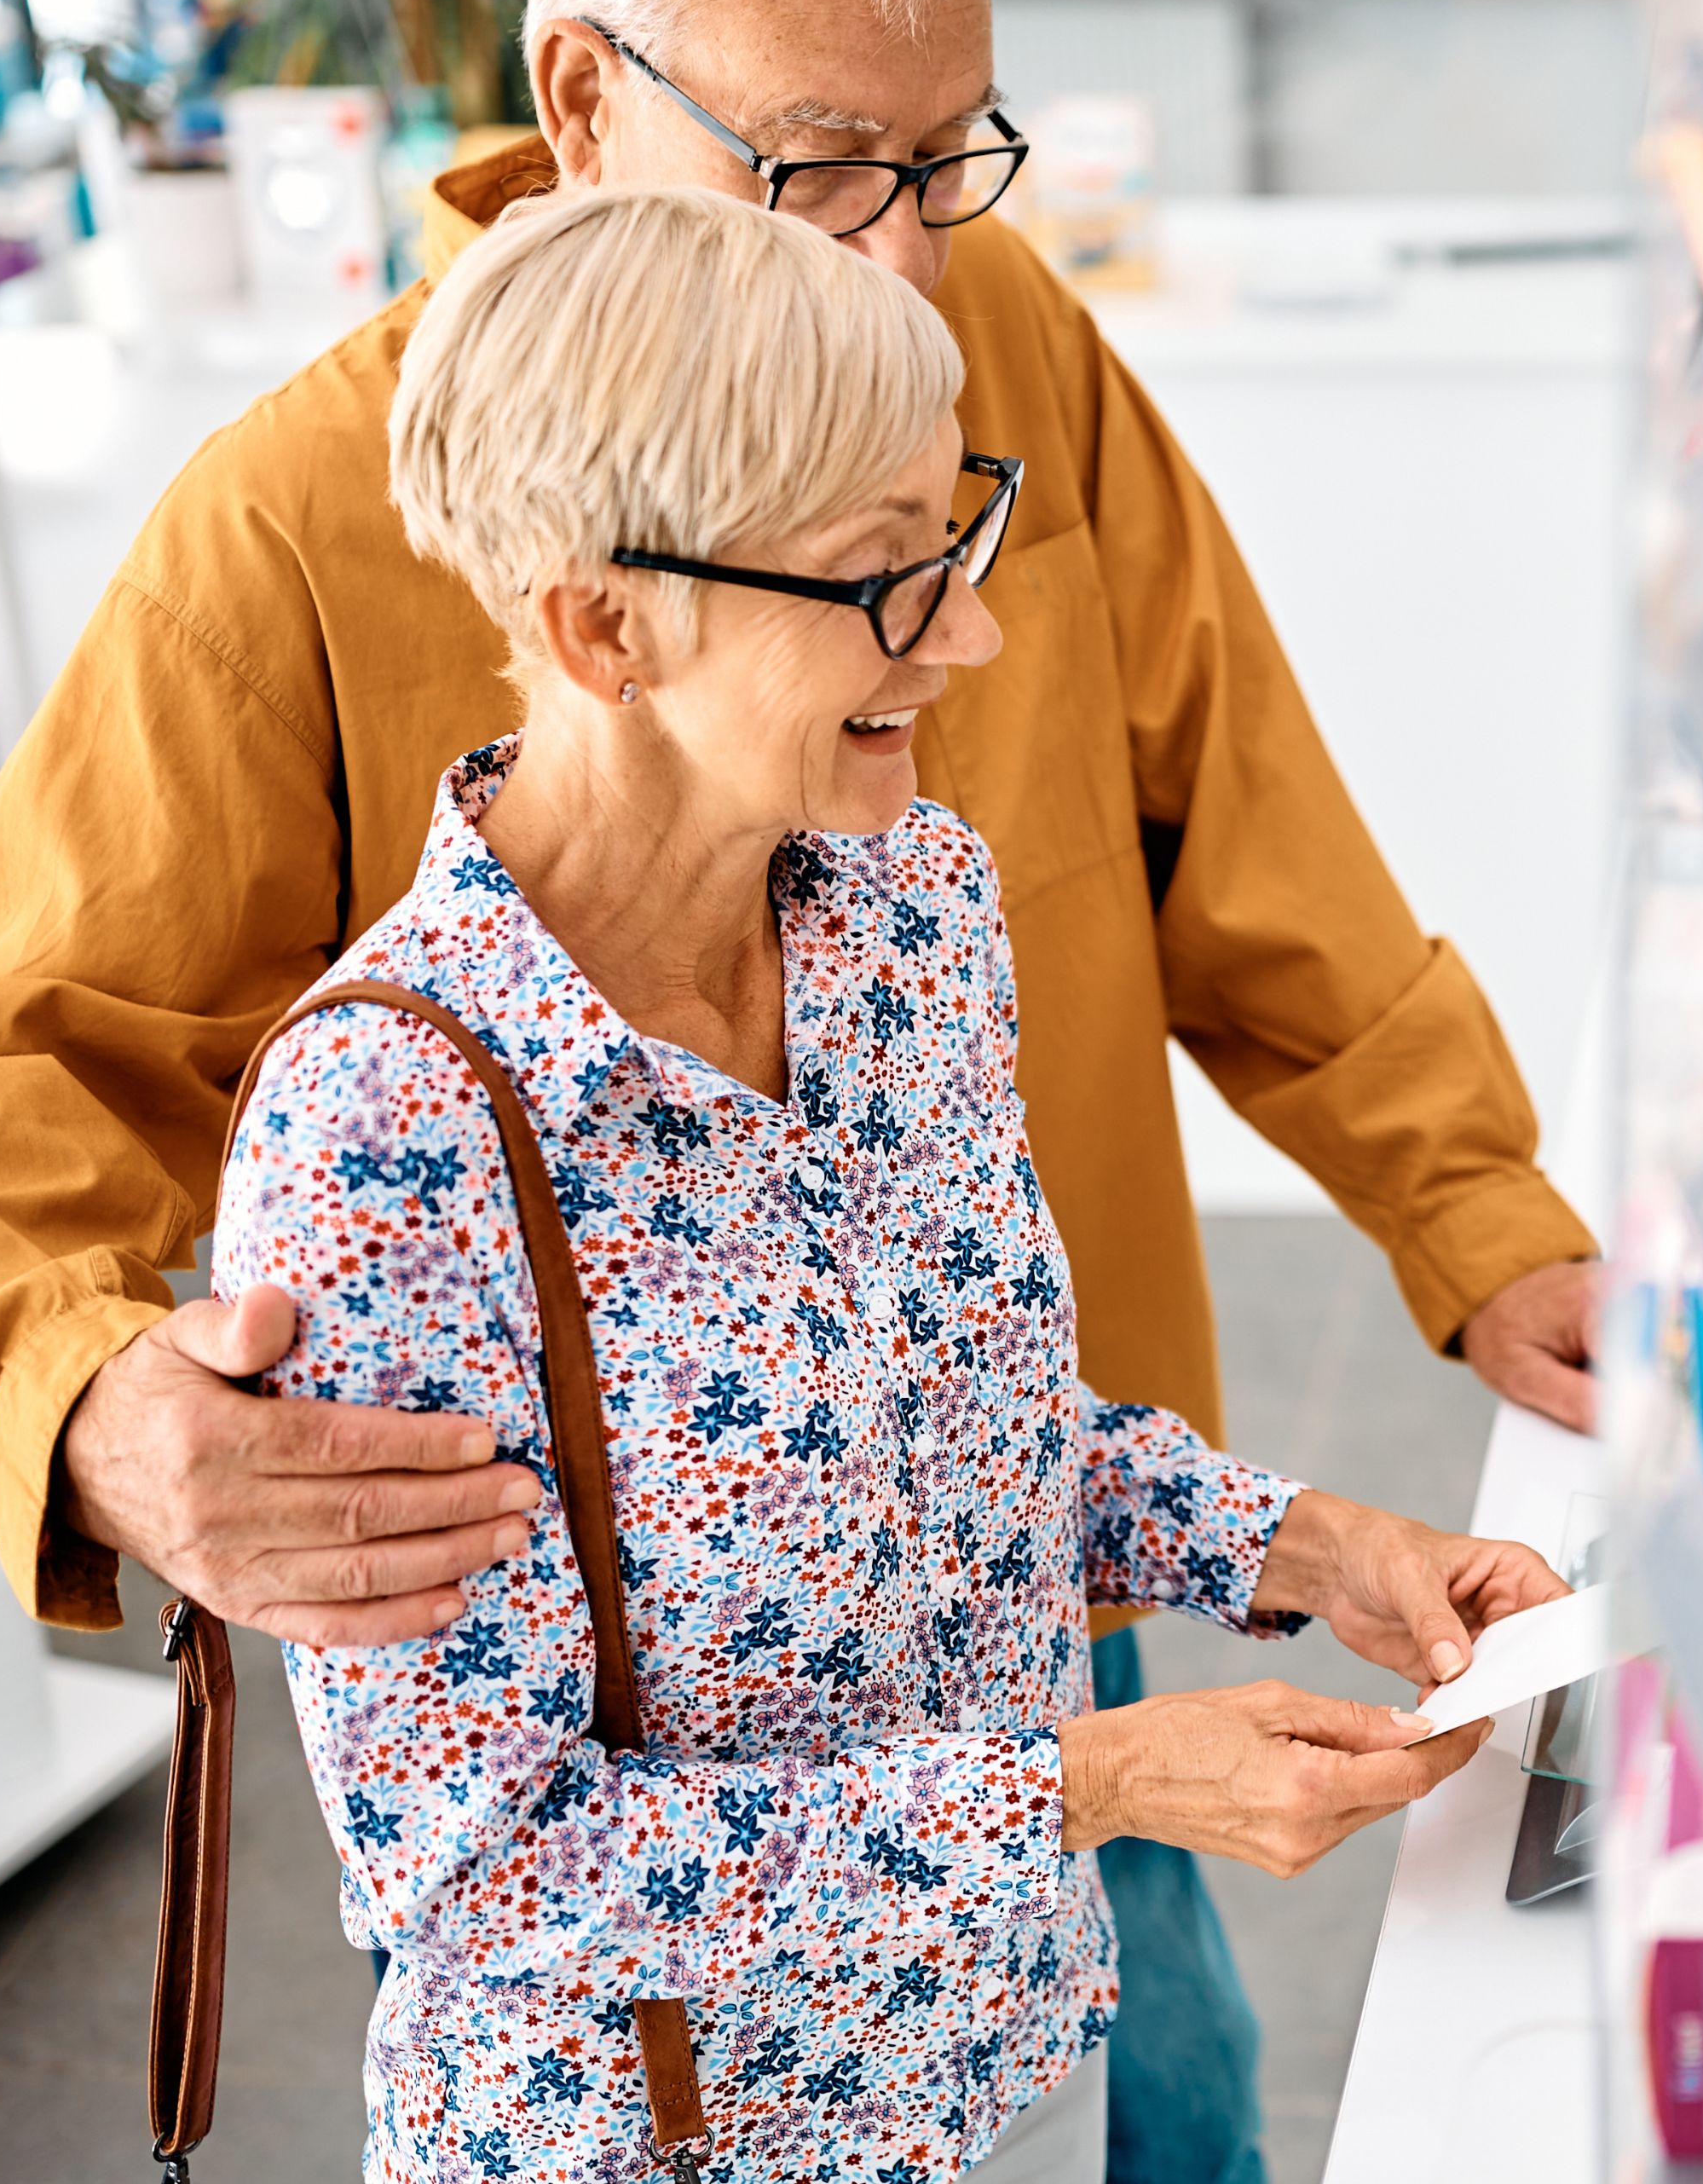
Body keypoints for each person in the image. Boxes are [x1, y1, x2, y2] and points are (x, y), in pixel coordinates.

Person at [0, 0, 1596, 2182]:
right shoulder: (295, 547)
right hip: (675, 1853)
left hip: (1021, 1569)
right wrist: (90, 1414)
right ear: (581, 99)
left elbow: (1239, 812)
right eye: (823, 167)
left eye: (946, 159)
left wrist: (1470, 1231)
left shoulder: (997, 385)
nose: (900, 252)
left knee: (1159, 2092)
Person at [227, 179, 1551, 2182]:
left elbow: (969, 1433)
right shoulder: (389, 1136)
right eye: (880, 578)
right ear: (603, 622)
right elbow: (480, 1880)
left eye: (959, 539)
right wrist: (1091, 1782)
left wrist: (1313, 1553)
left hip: (1002, 2065)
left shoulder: (905, 910)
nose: (974, 632)